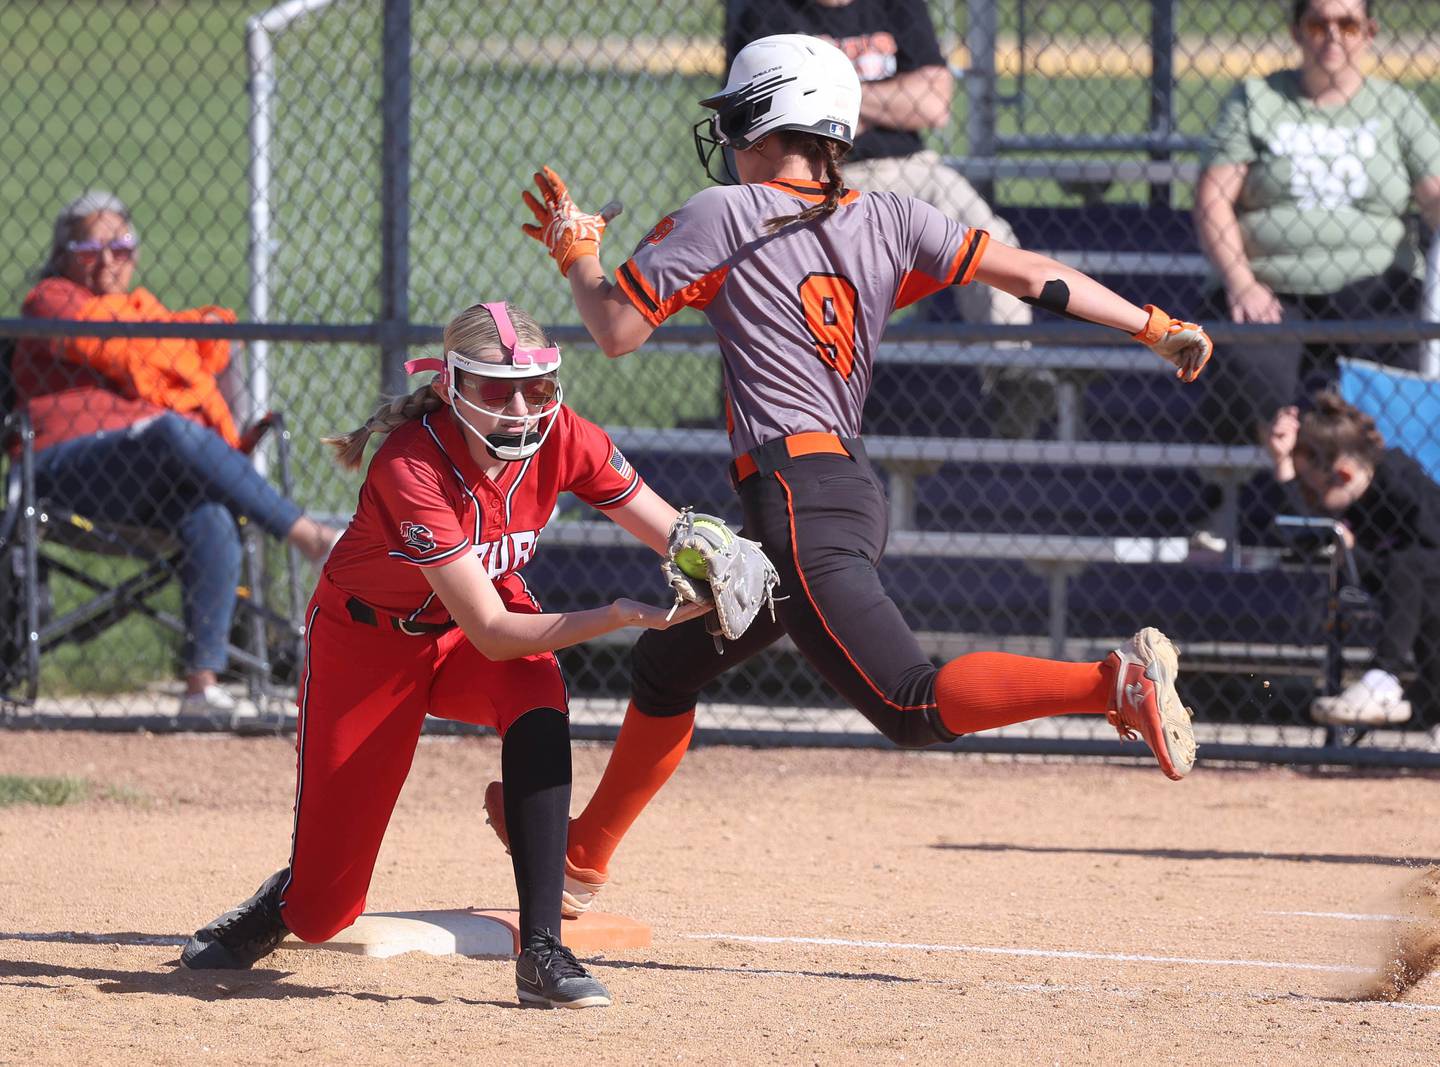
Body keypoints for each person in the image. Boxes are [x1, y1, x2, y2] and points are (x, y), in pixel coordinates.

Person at [497, 33, 1215, 917]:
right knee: (665, 666)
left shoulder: (725, 210)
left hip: (796, 501)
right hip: (837, 491)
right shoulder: (890, 215)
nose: (727, 137)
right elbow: (1032, 274)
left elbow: (614, 329)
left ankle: (1110, 685)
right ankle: (582, 854)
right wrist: (1152, 324)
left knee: (911, 703)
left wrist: (576, 253)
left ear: (768, 117)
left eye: (737, 118)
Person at [177, 301, 715, 1008]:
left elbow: (670, 527)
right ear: (451, 387)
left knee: (538, 688)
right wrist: (617, 615)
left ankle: (544, 950)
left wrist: (722, 553)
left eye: (540, 388)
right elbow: (492, 627)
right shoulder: (411, 464)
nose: (522, 408)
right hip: (370, 644)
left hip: (464, 632)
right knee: (325, 911)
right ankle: (287, 898)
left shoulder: (563, 434)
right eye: (497, 390)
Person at [13, 190, 342, 718]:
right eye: (89, 247)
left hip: (133, 478)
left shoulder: (140, 311)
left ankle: (200, 688)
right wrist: (173, 341)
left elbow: (159, 350)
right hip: (62, 468)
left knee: (208, 515)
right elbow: (120, 346)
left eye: (121, 246)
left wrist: (167, 341)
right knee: (168, 430)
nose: (107, 260)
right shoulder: (50, 299)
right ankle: (310, 536)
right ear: (62, 254)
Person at [723, 0, 1046, 437]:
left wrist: (827, 100)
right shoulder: (771, 13)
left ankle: (1013, 377)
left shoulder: (897, 5)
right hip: (816, 172)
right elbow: (757, 118)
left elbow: (933, 103)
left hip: (906, 168)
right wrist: (887, 98)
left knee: (984, 228)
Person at [1193, 0, 1440, 446]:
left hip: (1375, 287)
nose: (1332, 35)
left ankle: (1383, 504)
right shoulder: (1258, 99)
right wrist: (1241, 282)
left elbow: (1434, 195)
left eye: (1347, 24)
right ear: (1296, 33)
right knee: (1248, 367)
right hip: (1271, 289)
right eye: (1317, 23)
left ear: (1368, 33)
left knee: (1403, 356)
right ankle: (1258, 496)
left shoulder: (1397, 107)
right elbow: (1213, 196)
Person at [1266, 393, 1440, 728]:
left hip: (1427, 574)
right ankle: (1399, 689)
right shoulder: (1345, 505)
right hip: (1408, 591)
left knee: (1410, 564)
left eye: (1311, 491)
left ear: (1343, 475)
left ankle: (1385, 679)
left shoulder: (1398, 479)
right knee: (1405, 570)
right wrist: (1282, 463)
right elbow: (1302, 535)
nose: (1309, 500)